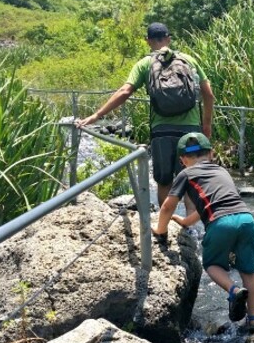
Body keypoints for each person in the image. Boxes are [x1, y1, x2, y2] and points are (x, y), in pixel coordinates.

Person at [76, 22, 216, 207]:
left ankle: (165, 228)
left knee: (164, 180)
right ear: (169, 38)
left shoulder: (145, 64)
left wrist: (96, 115)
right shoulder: (189, 60)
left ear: (148, 41)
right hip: (190, 134)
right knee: (190, 177)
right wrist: (206, 126)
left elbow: (124, 92)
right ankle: (190, 230)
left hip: (162, 134)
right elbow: (209, 95)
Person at [151, 132, 254, 333]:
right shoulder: (221, 171)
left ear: (182, 160)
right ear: (211, 154)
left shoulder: (185, 174)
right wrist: (186, 221)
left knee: (212, 265)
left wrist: (161, 229)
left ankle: (234, 290)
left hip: (220, 224)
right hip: (247, 219)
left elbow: (168, 206)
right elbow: (210, 204)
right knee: (249, 270)